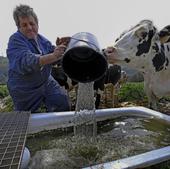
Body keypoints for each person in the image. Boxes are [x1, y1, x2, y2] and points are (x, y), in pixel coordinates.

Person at [6, 4, 71, 112]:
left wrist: (63, 47)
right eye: (24, 25)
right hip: (24, 88)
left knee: (62, 102)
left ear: (37, 23)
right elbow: (27, 61)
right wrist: (53, 55)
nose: (29, 28)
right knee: (25, 118)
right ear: (19, 27)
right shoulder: (15, 41)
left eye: (32, 23)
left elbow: (53, 53)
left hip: (45, 81)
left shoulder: (42, 40)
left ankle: (58, 127)